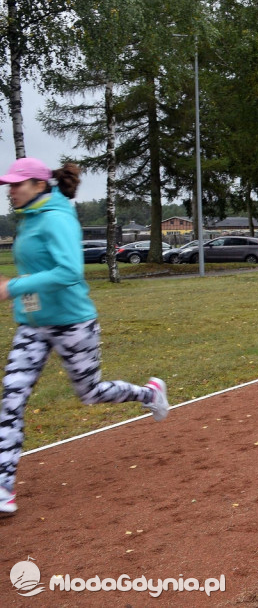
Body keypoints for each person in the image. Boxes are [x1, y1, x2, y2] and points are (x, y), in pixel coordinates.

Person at [0, 158, 169, 516]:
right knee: (12, 400)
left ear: (39, 185)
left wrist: (13, 287)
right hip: (33, 325)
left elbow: (68, 271)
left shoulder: (58, 217)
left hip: (72, 322)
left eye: (17, 184)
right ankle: (3, 487)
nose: (10, 191)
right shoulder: (28, 219)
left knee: (89, 393)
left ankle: (149, 393)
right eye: (9, 185)